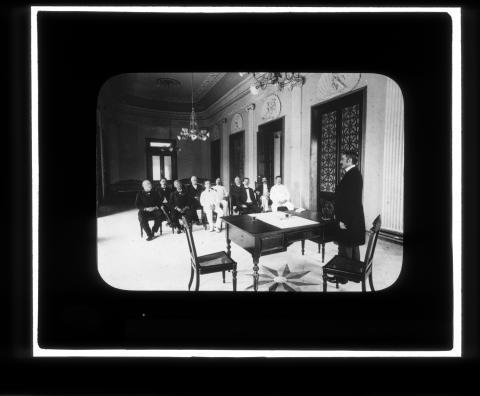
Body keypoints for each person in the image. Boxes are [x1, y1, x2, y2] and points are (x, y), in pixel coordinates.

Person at [332, 150, 366, 284]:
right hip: (354, 218)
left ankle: (342, 277)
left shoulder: (352, 175)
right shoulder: (354, 174)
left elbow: (349, 201)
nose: (340, 161)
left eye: (343, 159)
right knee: (353, 246)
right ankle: (355, 275)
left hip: (348, 219)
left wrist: (342, 220)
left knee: (344, 246)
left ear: (350, 161)